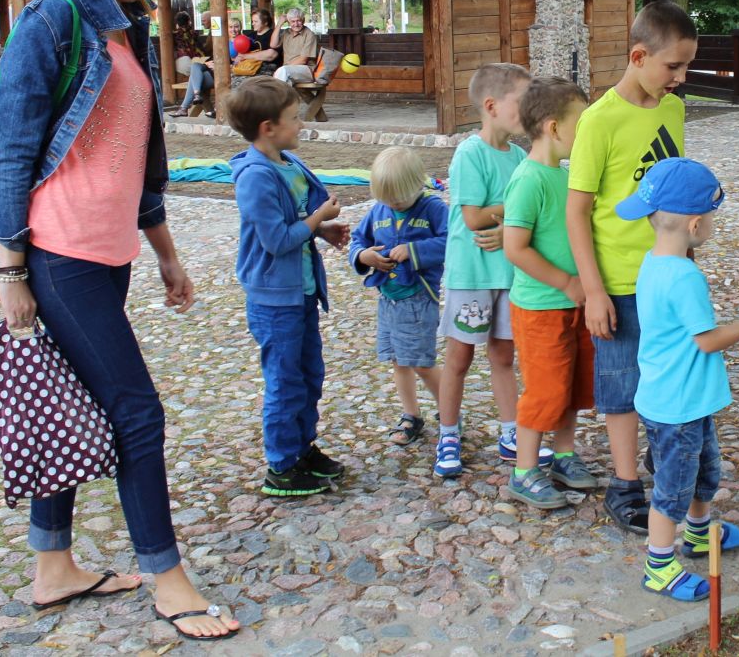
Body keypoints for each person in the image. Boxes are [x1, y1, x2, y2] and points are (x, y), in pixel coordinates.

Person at [0, 0, 239, 641]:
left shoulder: (127, 28)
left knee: (68, 399)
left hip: (109, 252)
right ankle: (168, 580)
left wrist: (166, 254)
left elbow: (138, 161)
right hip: (59, 255)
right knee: (136, 411)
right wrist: (10, 270)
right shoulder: (51, 20)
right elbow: (10, 151)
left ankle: (53, 567)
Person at [616, 157, 739, 600]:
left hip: (681, 400)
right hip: (677, 407)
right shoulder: (684, 277)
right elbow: (707, 341)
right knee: (671, 490)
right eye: (712, 216)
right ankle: (659, 568)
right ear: (696, 224)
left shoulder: (652, 262)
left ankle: (697, 534)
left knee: (704, 470)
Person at [566, 1, 698, 534]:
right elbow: (576, 211)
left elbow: (676, 191)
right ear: (639, 56)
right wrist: (593, 291)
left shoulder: (674, 110)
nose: (681, 78)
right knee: (621, 384)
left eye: (686, 66)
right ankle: (624, 484)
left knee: (672, 373)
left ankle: (662, 451)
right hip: (620, 282)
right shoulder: (599, 121)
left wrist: (688, 255)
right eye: (673, 66)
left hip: (669, 274)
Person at [229, 76, 350, 497]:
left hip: (300, 293)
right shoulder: (255, 178)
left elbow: (292, 222)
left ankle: (302, 448)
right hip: (274, 301)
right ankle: (281, 466)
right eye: (294, 118)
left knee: (309, 374)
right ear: (268, 128)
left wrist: (322, 231)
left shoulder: (286, 164)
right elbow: (277, 240)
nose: (301, 124)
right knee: (285, 381)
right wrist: (318, 219)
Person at [435, 63, 552, 477]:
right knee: (459, 357)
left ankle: (511, 432)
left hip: (508, 274)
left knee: (504, 356)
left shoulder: (519, 156)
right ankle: (448, 433)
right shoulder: (470, 153)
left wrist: (508, 226)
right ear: (491, 106)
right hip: (471, 276)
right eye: (523, 101)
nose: (532, 110)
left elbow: (520, 217)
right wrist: (513, 211)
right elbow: (473, 218)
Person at [501, 76, 598, 509]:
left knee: (572, 385)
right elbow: (515, 248)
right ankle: (524, 471)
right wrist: (566, 282)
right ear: (554, 128)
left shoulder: (565, 175)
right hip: (542, 308)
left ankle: (563, 455)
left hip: (574, 304)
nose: (587, 134)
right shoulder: (529, 179)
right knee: (545, 390)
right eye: (582, 124)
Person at [349, 147, 447, 446]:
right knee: (398, 360)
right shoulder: (379, 210)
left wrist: (415, 251)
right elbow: (358, 239)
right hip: (388, 299)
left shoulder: (433, 209)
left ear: (418, 184)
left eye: (399, 199)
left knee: (420, 361)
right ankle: (411, 414)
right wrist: (363, 256)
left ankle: (450, 409)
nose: (393, 204)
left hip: (418, 297)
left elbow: (452, 241)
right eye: (387, 199)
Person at [168, 15, 239, 117]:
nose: (233, 30)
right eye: (231, 27)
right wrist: (208, 63)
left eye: (236, 27)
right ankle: (196, 96)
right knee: (195, 66)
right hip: (214, 68)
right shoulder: (222, 41)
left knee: (194, 79)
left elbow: (240, 63)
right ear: (227, 29)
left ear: (240, 28)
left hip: (226, 72)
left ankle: (184, 107)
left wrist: (220, 66)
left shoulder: (243, 41)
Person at [231, 8, 281, 83]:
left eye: (256, 21)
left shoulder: (273, 35)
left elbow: (271, 55)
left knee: (240, 83)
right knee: (229, 79)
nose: (252, 24)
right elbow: (241, 52)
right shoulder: (251, 35)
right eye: (252, 21)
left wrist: (245, 56)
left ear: (265, 22)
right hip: (248, 67)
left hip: (266, 69)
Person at [271, 8, 319, 84]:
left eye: (298, 21)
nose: (296, 24)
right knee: (286, 81)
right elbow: (273, 45)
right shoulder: (286, 33)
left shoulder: (309, 35)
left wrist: (282, 69)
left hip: (306, 70)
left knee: (283, 72)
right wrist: (279, 24)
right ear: (289, 22)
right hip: (287, 70)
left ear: (303, 20)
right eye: (293, 21)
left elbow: (303, 60)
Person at [171, 11, 202, 77]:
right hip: (194, 61)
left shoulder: (174, 35)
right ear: (189, 21)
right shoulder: (193, 34)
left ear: (177, 23)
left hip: (181, 62)